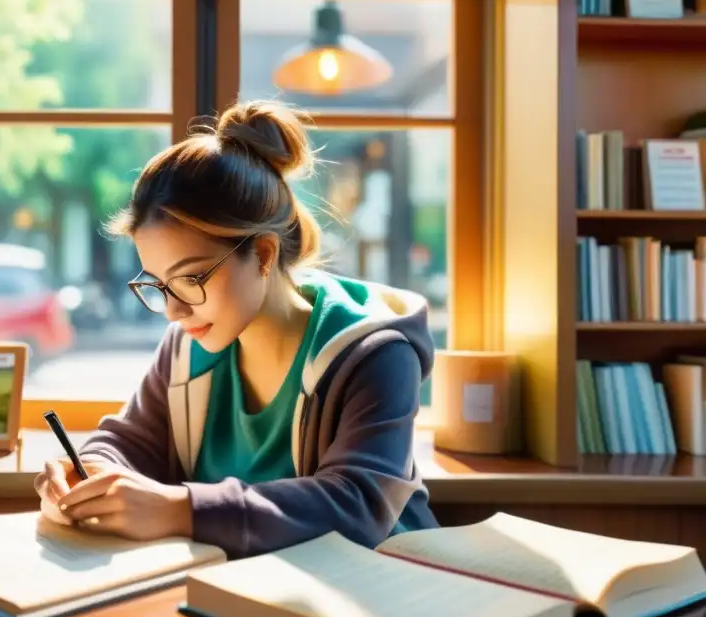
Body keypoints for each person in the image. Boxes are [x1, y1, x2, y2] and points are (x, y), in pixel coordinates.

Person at [35, 100, 439, 559]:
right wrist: (89, 470)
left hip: (388, 592)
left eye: (191, 279)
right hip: (247, 597)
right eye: (157, 284)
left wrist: (180, 510)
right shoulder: (190, 345)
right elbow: (131, 440)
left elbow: (357, 505)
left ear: (264, 254)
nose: (172, 311)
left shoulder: (375, 354)